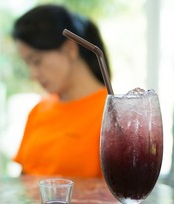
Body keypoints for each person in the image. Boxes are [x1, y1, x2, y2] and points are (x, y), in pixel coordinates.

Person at [12, 4, 112, 178]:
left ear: (70, 49)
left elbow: (116, 196)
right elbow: (24, 182)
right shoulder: (38, 111)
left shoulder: (113, 115)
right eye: (27, 64)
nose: (32, 74)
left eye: (36, 61)